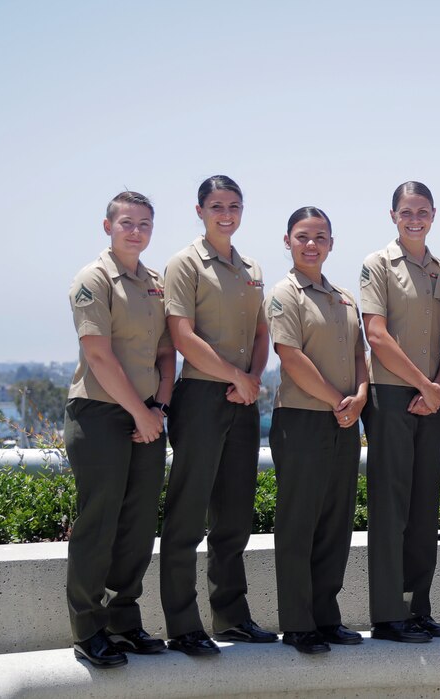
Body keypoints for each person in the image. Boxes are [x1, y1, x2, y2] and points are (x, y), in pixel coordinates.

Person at [160, 175, 277, 655]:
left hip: (242, 400)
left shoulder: (250, 267)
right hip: (202, 398)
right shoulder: (184, 264)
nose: (225, 214)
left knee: (234, 518)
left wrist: (250, 377)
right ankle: (184, 625)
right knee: (187, 517)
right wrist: (236, 375)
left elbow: (262, 330)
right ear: (200, 210)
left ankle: (231, 617)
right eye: (216, 206)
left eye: (233, 206)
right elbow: (182, 337)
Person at [65, 191, 174, 668]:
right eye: (127, 223)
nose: (136, 231)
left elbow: (167, 352)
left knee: (138, 524)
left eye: (144, 223)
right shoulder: (93, 279)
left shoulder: (155, 282)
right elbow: (98, 356)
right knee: (99, 523)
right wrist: (140, 413)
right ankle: (88, 631)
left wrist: (161, 407)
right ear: (107, 227)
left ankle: (124, 622)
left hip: (149, 414)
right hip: (102, 414)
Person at [361, 182, 440, 643]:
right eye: (406, 211)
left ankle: (418, 608)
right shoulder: (377, 265)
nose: (414, 218)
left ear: (434, 214)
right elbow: (376, 336)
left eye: (422, 211)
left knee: (424, 508)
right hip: (391, 397)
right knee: (390, 508)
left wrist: (438, 386)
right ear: (392, 214)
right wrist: (424, 385)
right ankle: (388, 615)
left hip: (432, 400)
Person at [267, 206, 369, 655]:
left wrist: (361, 396)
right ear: (287, 241)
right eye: (303, 236)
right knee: (299, 524)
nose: (312, 244)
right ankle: (298, 622)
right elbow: (290, 357)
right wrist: (337, 401)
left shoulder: (343, 296)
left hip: (345, 419)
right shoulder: (284, 294)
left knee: (335, 522)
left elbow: (362, 354)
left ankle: (327, 617)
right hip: (304, 420)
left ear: (331, 243)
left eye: (321, 237)